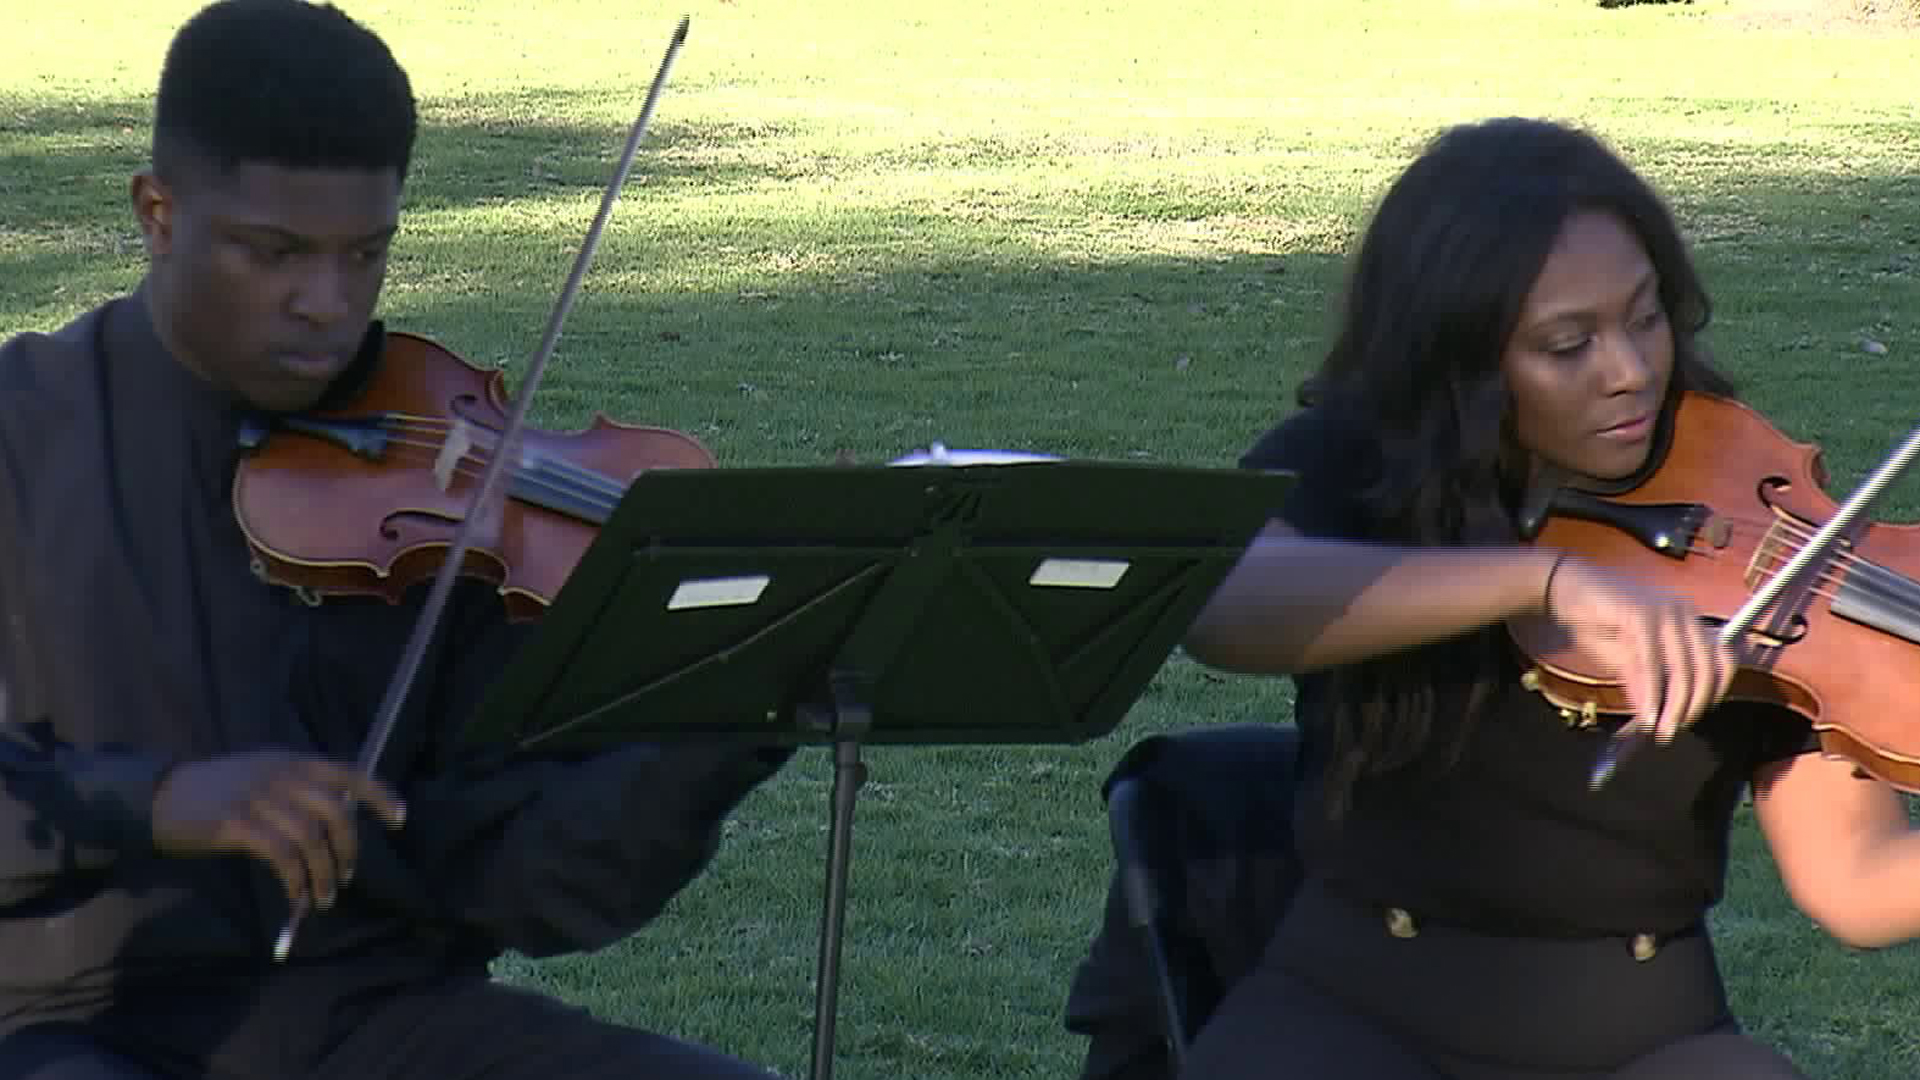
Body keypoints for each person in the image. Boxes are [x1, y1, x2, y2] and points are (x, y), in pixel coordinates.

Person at [0, 3, 794, 1078]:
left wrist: (732, 714)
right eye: (273, 253)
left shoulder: (449, 487)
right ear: (157, 212)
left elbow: (527, 874)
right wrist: (159, 800)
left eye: (365, 254)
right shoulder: (19, 431)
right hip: (59, 1019)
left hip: (368, 1015)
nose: (326, 305)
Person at [1173, 116, 1920, 1078]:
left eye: (1647, 317)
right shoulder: (1364, 463)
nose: (1632, 371)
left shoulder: (1750, 502)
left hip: (1644, 1033)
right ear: (1463, 357)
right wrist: (1543, 578)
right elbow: (1224, 603)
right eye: (1568, 345)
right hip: (1349, 1007)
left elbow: (1851, 880)